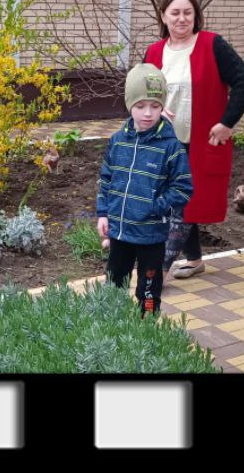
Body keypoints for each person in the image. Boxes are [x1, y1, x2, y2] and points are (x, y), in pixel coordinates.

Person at [143, 0, 244, 279]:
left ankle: (158, 271)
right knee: (175, 205)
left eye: (188, 12)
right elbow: (140, 94)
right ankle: (194, 259)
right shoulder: (155, 52)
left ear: (196, 15)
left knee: (182, 205)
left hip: (199, 144)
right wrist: (154, 112)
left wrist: (227, 122)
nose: (182, 18)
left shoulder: (212, 45)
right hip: (164, 143)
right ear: (163, 16)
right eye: (175, 13)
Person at [97, 65, 193, 317]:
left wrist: (155, 206)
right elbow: (106, 179)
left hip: (151, 235)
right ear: (129, 105)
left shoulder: (171, 147)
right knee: (114, 283)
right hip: (120, 232)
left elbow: (183, 188)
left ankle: (147, 325)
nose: (148, 113)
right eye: (140, 106)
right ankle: (111, 323)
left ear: (163, 106)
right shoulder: (118, 141)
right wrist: (103, 214)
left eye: (155, 106)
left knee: (149, 290)